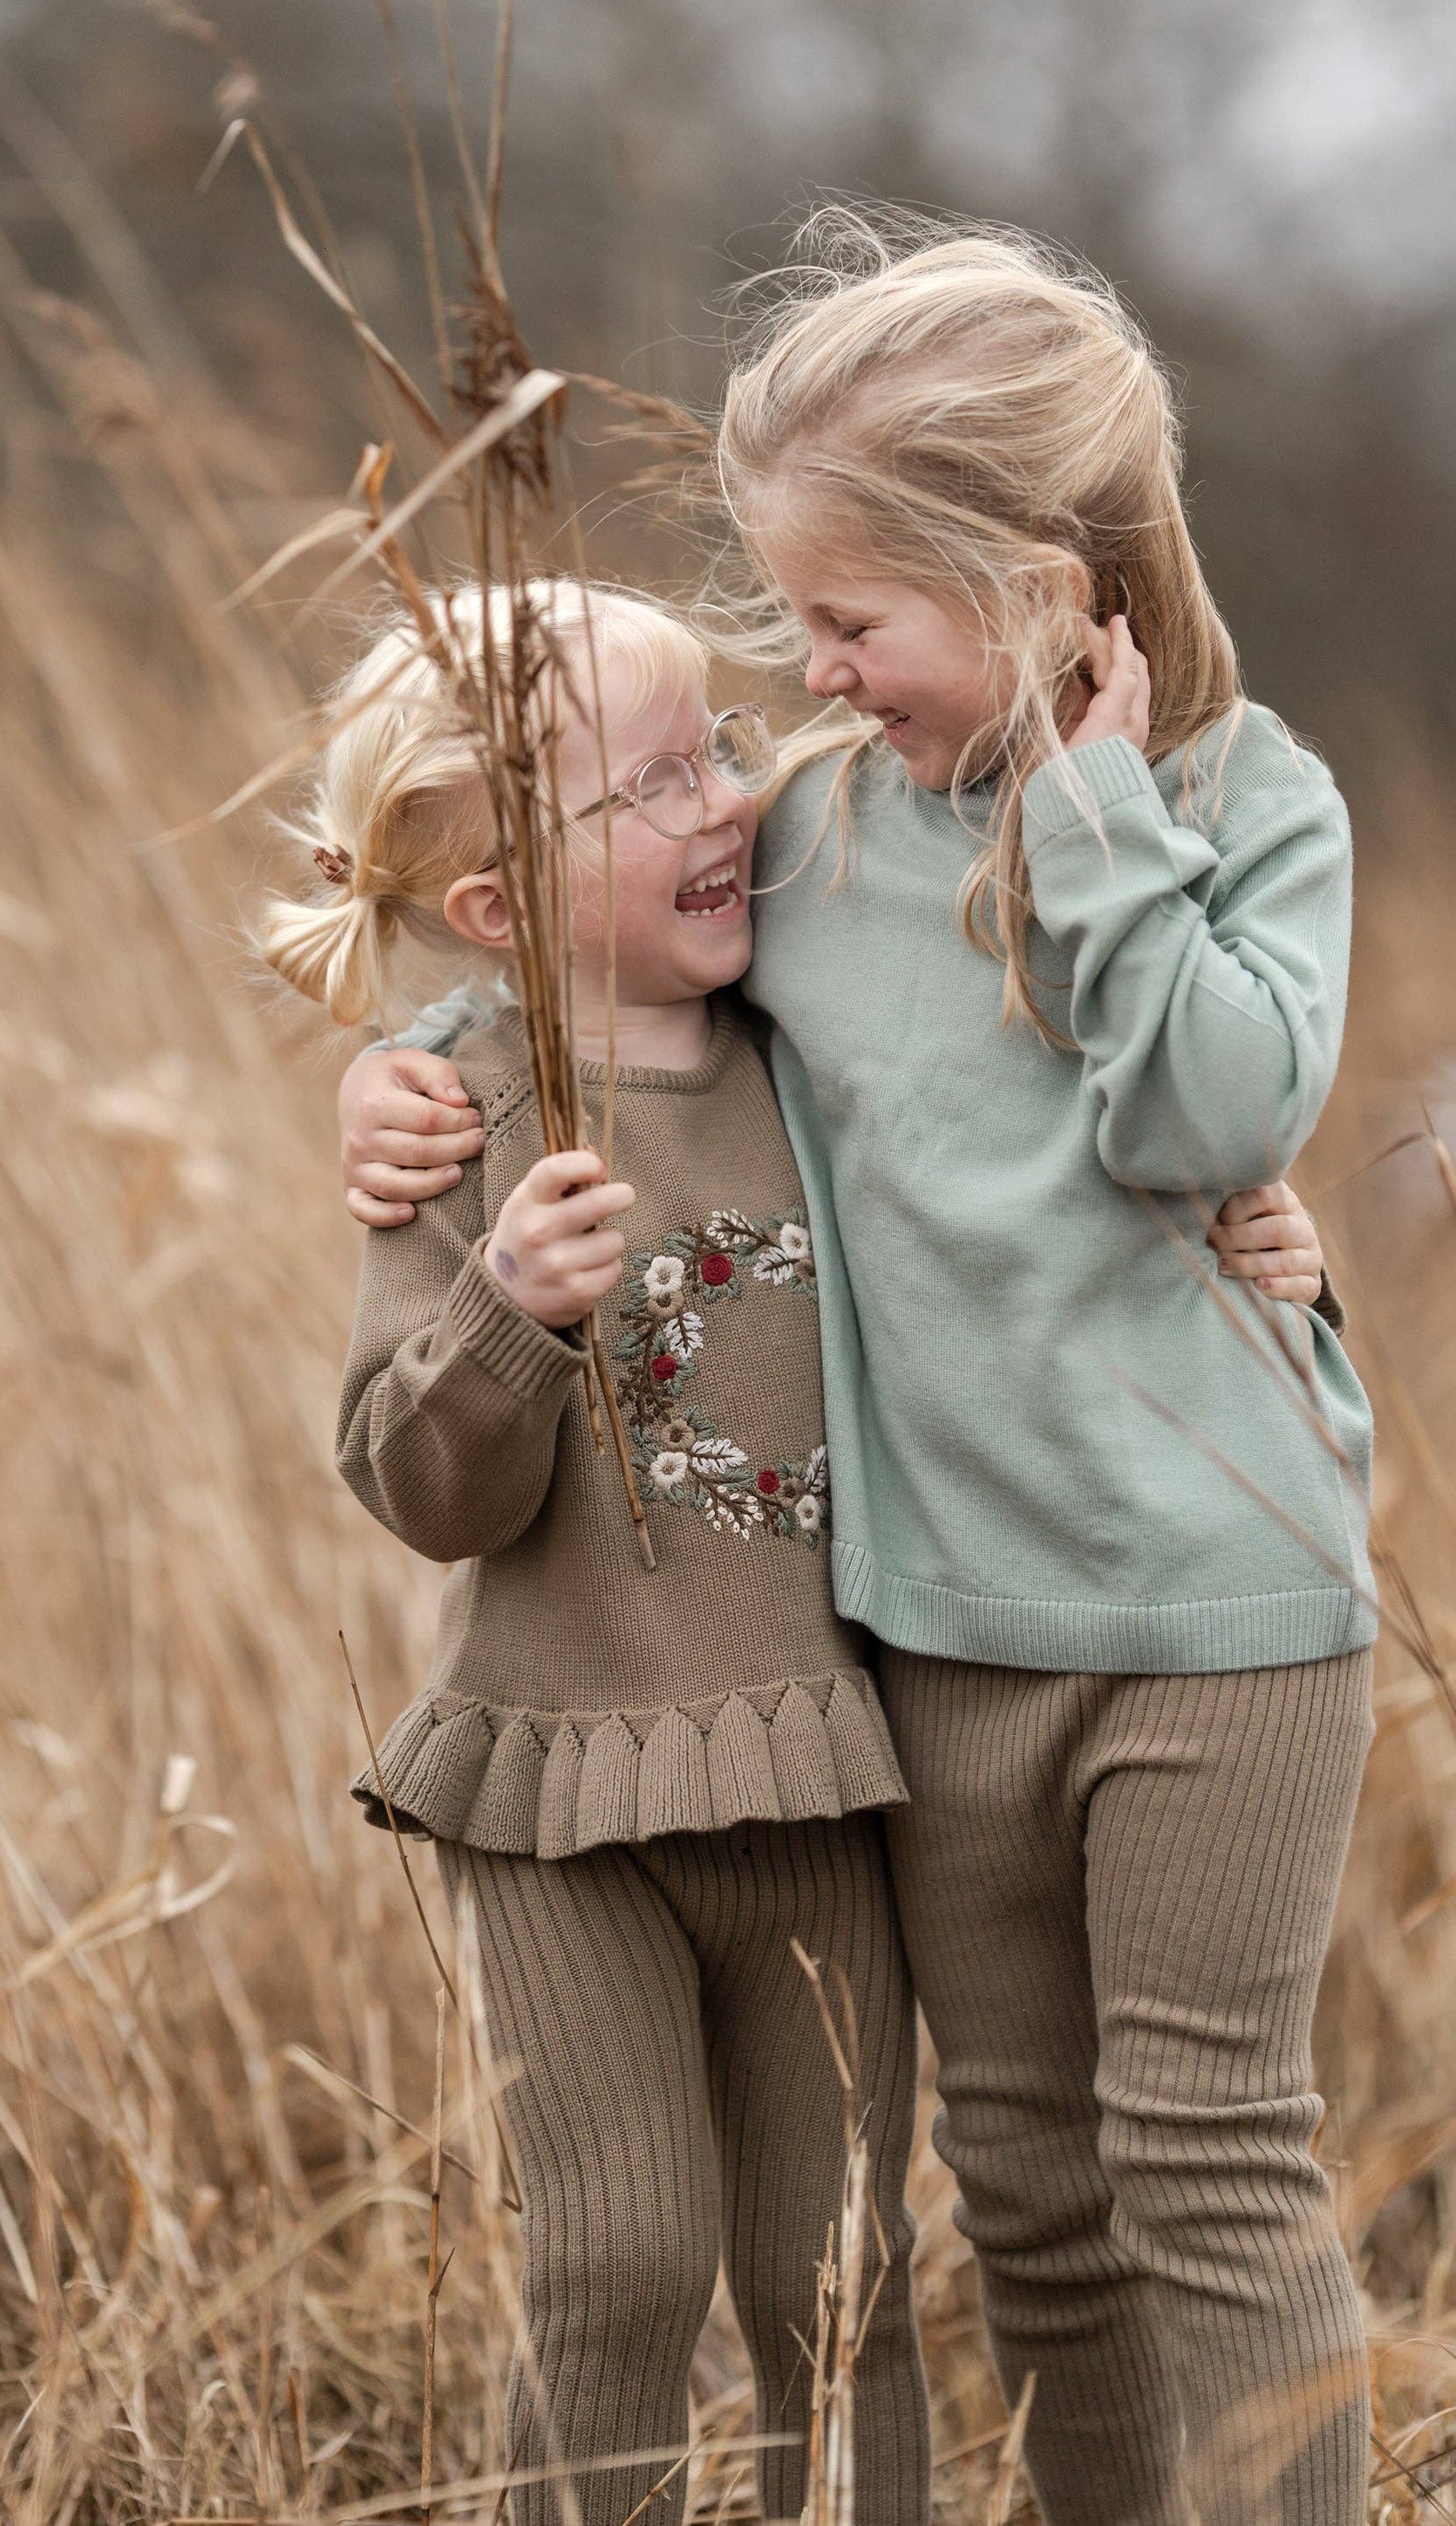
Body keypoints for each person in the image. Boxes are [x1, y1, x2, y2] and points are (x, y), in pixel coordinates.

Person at [336, 214, 1371, 2526]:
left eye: (844, 623)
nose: (806, 676)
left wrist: (1089, 830)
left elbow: (1209, 1115)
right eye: (789, 625)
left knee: (1205, 2150)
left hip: (1221, 1607)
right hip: (941, 1636)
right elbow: (590, 969)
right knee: (1024, 2176)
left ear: (1032, 579)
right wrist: (405, 1083)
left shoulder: (1241, 805)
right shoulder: (809, 827)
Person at [262, 582, 929, 2526]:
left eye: (721, 744)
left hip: (819, 1768)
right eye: (657, 781)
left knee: (850, 2280)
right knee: (615, 2268)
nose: (728, 797)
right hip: (559, 1783)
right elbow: (420, 1489)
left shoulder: (820, 1044)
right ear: (494, 913)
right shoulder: (459, 1119)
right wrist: (505, 1310)